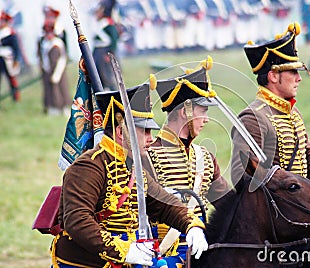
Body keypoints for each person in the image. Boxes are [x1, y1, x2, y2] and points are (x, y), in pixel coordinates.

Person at [50, 81, 209, 267]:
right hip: (88, 262)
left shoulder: (133, 165)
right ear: (120, 132)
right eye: (145, 131)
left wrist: (192, 225)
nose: (151, 139)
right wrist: (124, 251)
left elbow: (162, 203)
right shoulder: (89, 166)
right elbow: (77, 221)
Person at [231, 22, 310, 188]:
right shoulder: (253, 118)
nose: (299, 78)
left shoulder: (292, 112)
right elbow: (242, 176)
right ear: (274, 76)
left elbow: (306, 151)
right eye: (293, 72)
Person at [145, 57, 232, 267]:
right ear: (186, 111)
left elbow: (228, 205)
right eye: (203, 111)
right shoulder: (147, 157)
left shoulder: (205, 158)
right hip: (158, 255)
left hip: (199, 251)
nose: (207, 119)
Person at [38, 22, 70, 116]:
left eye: (50, 33)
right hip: (47, 70)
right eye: (46, 33)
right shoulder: (44, 43)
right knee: (49, 90)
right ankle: (52, 107)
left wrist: (57, 73)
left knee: (61, 89)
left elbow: (62, 59)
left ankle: (64, 107)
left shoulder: (57, 43)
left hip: (57, 70)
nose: (48, 35)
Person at [92, 0, 120, 91]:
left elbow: (114, 39)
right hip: (98, 53)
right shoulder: (99, 23)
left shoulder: (108, 23)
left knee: (108, 76)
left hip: (105, 52)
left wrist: (110, 53)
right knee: (99, 77)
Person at [0, 10, 21, 102]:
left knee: (12, 79)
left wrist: (16, 60)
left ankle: (15, 97)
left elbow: (16, 49)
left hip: (8, 60)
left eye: (3, 21)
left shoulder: (11, 34)